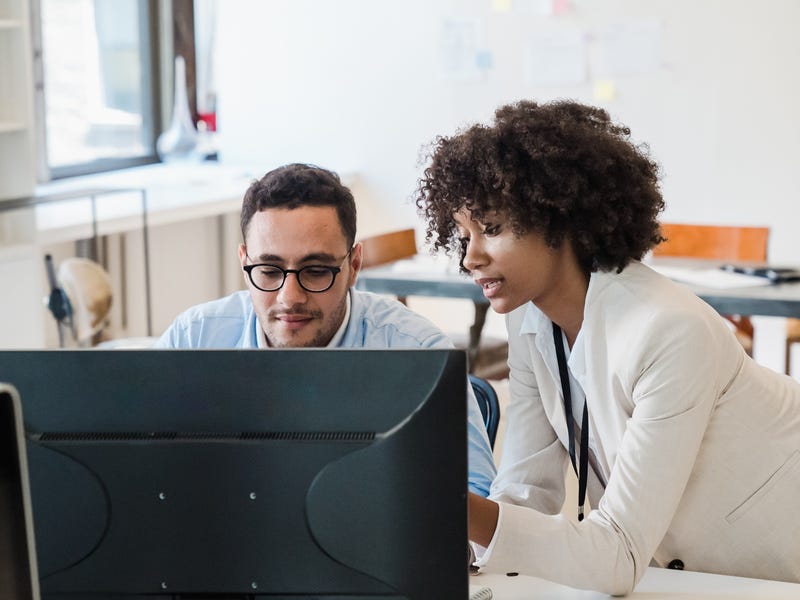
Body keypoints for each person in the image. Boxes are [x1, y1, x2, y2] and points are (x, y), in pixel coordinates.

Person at [415, 99, 800, 594]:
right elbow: (526, 492)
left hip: (776, 566)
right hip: (691, 576)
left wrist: (453, 506)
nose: (470, 257)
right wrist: (459, 539)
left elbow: (616, 556)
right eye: (463, 234)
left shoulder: (668, 330)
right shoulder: (532, 321)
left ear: (561, 220)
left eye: (491, 229)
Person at [154, 162, 496, 497]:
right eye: (269, 271)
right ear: (245, 263)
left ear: (354, 265)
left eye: (316, 271)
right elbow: (146, 474)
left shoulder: (419, 352)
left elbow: (476, 494)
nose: (290, 298)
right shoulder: (193, 339)